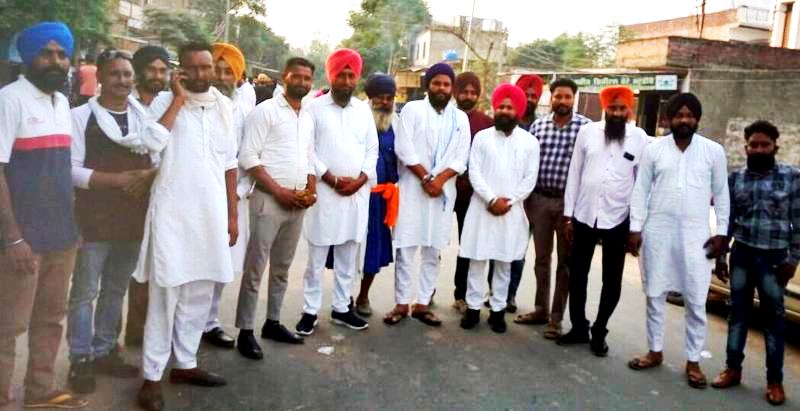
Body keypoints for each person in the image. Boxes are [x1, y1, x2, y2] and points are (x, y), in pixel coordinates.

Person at [133, 41, 239, 411]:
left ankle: (186, 364)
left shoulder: (223, 106)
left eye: (206, 67)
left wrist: (232, 215)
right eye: (192, 67)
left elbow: (229, 164)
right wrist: (178, 100)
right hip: (172, 217)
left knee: (199, 294)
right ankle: (151, 377)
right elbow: (150, 144)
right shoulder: (165, 102)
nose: (201, 74)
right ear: (181, 70)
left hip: (210, 216)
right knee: (165, 298)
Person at [0, 22, 87, 409]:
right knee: (7, 325)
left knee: (51, 319)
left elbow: (61, 169)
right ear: (28, 56)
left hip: (60, 235)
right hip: (22, 239)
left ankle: (39, 391)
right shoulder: (9, 100)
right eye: (47, 53)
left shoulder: (61, 102)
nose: (56, 61)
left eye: (62, 54)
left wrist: (73, 223)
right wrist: (13, 237)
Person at [627, 92, 730, 390]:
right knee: (655, 294)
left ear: (697, 118)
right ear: (669, 119)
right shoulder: (653, 150)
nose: (684, 120)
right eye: (679, 115)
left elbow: (722, 194)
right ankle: (655, 350)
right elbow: (640, 190)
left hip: (696, 236)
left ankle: (693, 361)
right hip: (658, 232)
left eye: (689, 115)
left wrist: (722, 233)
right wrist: (635, 228)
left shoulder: (713, 151)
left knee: (696, 299)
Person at [66, 49, 152, 394]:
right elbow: (70, 170)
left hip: (132, 220)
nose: (122, 80)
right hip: (94, 219)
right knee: (84, 292)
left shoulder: (144, 118)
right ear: (99, 77)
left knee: (116, 289)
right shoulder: (80, 116)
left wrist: (147, 176)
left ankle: (104, 351)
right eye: (115, 73)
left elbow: (159, 158)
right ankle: (80, 358)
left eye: (127, 74)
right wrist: (117, 180)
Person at [556, 86, 649, 357]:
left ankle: (599, 330)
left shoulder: (640, 138)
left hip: (618, 217)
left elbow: (642, 184)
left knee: (612, 279)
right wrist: (568, 216)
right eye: (612, 108)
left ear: (629, 110)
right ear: (605, 108)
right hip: (584, 214)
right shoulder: (587, 132)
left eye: (622, 109)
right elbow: (574, 173)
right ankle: (578, 327)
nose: (617, 113)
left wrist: (636, 227)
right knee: (577, 274)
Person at [710, 120, 798, 406]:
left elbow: (799, 222)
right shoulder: (736, 179)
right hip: (742, 256)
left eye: (765, 145)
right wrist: (721, 257)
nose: (759, 149)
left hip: (775, 261)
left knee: (774, 321)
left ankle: (775, 382)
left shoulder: (792, 178)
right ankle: (732, 369)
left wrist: (793, 259)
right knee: (738, 316)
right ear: (746, 147)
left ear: (775, 147)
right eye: (754, 145)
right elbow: (727, 221)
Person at [234, 57, 317, 359]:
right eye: (297, 76)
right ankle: (245, 331)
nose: (302, 82)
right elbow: (248, 157)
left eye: (307, 78)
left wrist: (311, 190)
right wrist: (279, 191)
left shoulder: (307, 116)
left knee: (282, 268)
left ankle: (273, 322)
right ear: (284, 77)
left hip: (297, 201)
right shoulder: (265, 111)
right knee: (255, 267)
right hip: (269, 199)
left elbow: (309, 158)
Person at [295, 48, 378, 335]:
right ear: (331, 76)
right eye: (341, 75)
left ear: (357, 78)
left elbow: (372, 150)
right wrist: (330, 178)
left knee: (348, 256)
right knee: (316, 258)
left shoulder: (363, 110)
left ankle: (342, 308)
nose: (346, 81)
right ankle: (309, 310)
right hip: (324, 193)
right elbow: (308, 149)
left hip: (356, 195)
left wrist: (360, 180)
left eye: (351, 75)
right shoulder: (314, 108)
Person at [383, 62, 470, 326]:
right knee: (406, 248)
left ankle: (422, 303)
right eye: (436, 83)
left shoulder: (460, 118)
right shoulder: (412, 110)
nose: (441, 88)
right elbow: (404, 148)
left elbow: (462, 156)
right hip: (413, 188)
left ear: (452, 88)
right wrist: (425, 177)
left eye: (446, 84)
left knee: (433, 250)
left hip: (442, 192)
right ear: (428, 85)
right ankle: (401, 303)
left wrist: (439, 180)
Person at [459, 84, 539, 333]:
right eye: (501, 106)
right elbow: (474, 172)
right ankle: (473, 309)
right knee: (477, 260)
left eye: (509, 107)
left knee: (504, 263)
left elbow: (530, 179)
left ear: (518, 112)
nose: (504, 111)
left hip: (511, 211)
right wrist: (492, 199)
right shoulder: (482, 138)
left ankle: (497, 311)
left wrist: (510, 201)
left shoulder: (530, 142)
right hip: (482, 208)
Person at [514, 78, 590, 340]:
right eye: (558, 96)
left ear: (574, 98)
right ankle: (541, 309)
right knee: (541, 259)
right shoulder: (539, 126)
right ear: (551, 97)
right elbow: (529, 163)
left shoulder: (585, 128)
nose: (562, 101)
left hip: (569, 205)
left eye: (567, 97)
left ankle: (556, 319)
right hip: (540, 200)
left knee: (565, 263)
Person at [199, 42, 252, 349]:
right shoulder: (193, 105)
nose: (221, 77)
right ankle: (187, 323)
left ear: (238, 76)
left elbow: (248, 158)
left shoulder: (243, 112)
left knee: (222, 264)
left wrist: (239, 193)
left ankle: (210, 322)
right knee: (195, 262)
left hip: (234, 199)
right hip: (198, 199)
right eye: (216, 70)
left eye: (228, 71)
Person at [124, 44, 171, 348]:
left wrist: (154, 174)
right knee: (132, 267)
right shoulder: (125, 104)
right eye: (151, 69)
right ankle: (131, 333)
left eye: (163, 70)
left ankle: (149, 332)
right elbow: (137, 144)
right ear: (139, 71)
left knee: (158, 266)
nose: (158, 75)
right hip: (130, 196)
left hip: (165, 194)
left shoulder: (172, 103)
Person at [352, 73, 400, 317]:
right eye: (379, 97)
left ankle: (363, 296)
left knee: (374, 250)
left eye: (389, 97)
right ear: (370, 98)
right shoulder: (357, 119)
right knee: (349, 247)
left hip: (381, 199)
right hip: (356, 194)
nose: (385, 102)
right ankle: (344, 297)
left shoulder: (397, 123)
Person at [451, 71, 493, 314]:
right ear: (456, 93)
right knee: (433, 243)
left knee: (467, 244)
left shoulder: (486, 123)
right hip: (442, 189)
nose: (469, 96)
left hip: (471, 195)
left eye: (473, 92)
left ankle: (461, 294)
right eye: (464, 92)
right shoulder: (446, 117)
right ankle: (426, 292)